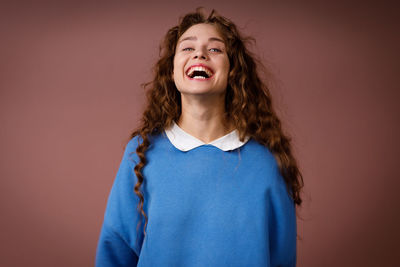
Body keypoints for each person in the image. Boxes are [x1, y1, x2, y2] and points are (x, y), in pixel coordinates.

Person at [96, 8, 303, 267]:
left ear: (233, 71)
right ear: (171, 71)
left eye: (215, 49)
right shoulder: (140, 152)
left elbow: (282, 258)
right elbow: (115, 251)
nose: (200, 53)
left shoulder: (268, 161)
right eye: (187, 48)